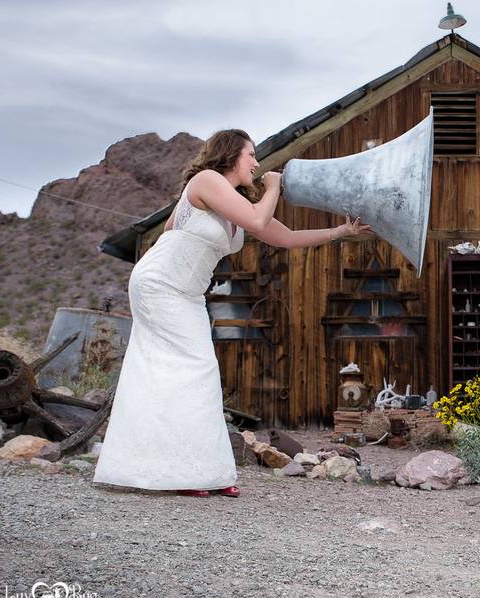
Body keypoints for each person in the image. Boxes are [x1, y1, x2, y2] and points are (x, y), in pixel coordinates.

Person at [93, 129, 372, 497]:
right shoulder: (206, 180)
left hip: (188, 293)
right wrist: (273, 185)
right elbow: (258, 221)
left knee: (185, 374)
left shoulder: (235, 205)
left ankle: (195, 471)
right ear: (230, 155)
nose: (257, 164)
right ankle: (182, 474)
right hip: (159, 284)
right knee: (195, 368)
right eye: (251, 155)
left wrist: (340, 231)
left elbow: (284, 236)